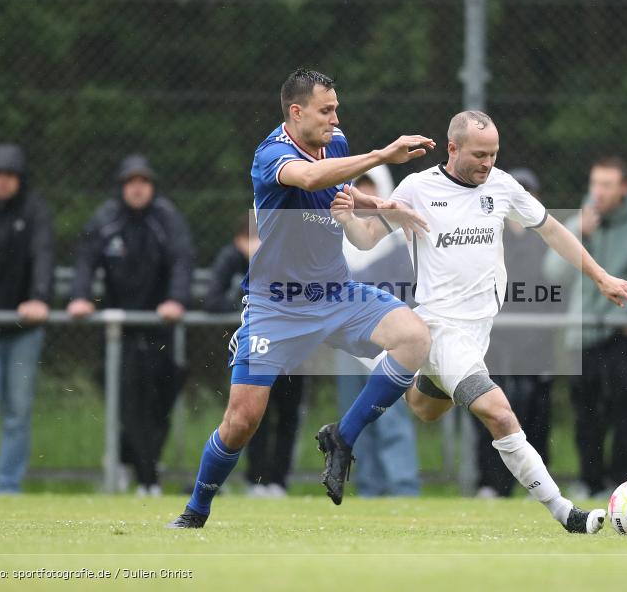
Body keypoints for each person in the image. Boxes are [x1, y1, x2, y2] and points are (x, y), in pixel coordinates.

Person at [330, 110, 627, 534]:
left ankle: (401, 371)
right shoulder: (418, 189)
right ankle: (566, 512)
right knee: (499, 412)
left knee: (425, 410)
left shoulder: (502, 185)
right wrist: (348, 217)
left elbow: (551, 230)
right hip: (440, 328)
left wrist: (601, 277)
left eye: (494, 154)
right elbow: (366, 238)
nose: (487, 163)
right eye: (479, 154)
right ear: (453, 148)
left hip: (477, 334)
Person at [166, 68, 435, 528]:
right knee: (241, 421)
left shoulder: (337, 142)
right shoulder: (272, 154)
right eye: (326, 110)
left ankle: (342, 438)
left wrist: (382, 207)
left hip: (335, 292)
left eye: (336, 108)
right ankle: (196, 511)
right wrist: (382, 156)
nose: (335, 117)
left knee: (414, 338)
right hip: (277, 304)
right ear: (297, 111)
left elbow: (337, 191)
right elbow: (309, 180)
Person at [68, 154, 194, 496]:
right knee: (129, 405)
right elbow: (85, 260)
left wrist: (177, 300)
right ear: (122, 187)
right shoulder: (105, 219)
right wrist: (79, 296)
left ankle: (132, 463)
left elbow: (182, 260)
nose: (138, 189)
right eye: (131, 183)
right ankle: (147, 478)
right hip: (118, 331)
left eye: (144, 182)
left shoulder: (167, 219)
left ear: (152, 187)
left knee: (158, 403)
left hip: (159, 328)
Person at [543, 156, 627, 499]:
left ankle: (626, 486)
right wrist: (579, 232)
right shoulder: (577, 223)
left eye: (607, 185)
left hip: (623, 336)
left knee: (625, 412)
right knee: (587, 414)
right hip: (581, 335)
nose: (598, 192)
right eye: (595, 183)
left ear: (624, 188)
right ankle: (589, 481)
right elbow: (553, 273)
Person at [0, 144, 53, 494]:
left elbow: (43, 255)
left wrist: (40, 298)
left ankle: (8, 486)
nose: (2, 181)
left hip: (23, 330)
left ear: (20, 180)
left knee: (18, 411)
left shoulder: (35, 213)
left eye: (10, 175)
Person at [204, 215, 304, 498]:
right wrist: (249, 307)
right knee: (254, 413)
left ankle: (279, 481)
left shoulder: (292, 257)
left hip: (293, 348)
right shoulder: (232, 260)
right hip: (255, 348)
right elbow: (212, 299)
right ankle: (257, 480)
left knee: (288, 414)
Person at [335, 166, 421, 497]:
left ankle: (403, 488)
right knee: (354, 415)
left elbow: (407, 293)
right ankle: (368, 489)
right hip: (349, 343)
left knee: (391, 417)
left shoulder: (398, 240)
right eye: (361, 190)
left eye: (373, 191)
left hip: (389, 345)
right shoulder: (342, 238)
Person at [475, 167, 555, 499]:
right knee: (491, 414)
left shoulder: (546, 242)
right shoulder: (490, 235)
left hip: (537, 345)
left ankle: (537, 486)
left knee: (537, 415)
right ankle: (492, 484)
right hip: (496, 343)